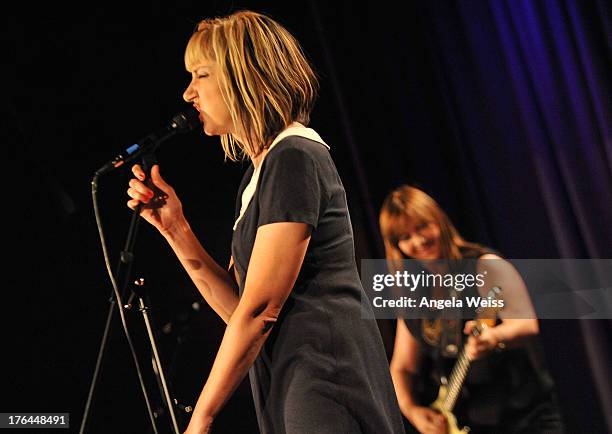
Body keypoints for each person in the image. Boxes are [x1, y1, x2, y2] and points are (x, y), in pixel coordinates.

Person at [126, 10, 405, 434]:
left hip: (327, 381)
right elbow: (241, 307)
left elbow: (260, 310)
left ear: (244, 77)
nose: (188, 94)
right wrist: (176, 230)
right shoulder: (258, 177)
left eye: (200, 75)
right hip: (290, 382)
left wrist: (200, 420)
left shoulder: (293, 157)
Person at [378, 185, 565, 434]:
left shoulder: (484, 265)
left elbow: (526, 323)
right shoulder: (412, 293)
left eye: (422, 226)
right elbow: (402, 367)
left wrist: (494, 337)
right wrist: (412, 411)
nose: (418, 240)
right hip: (471, 423)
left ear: (439, 221)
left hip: (523, 418)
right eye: (405, 237)